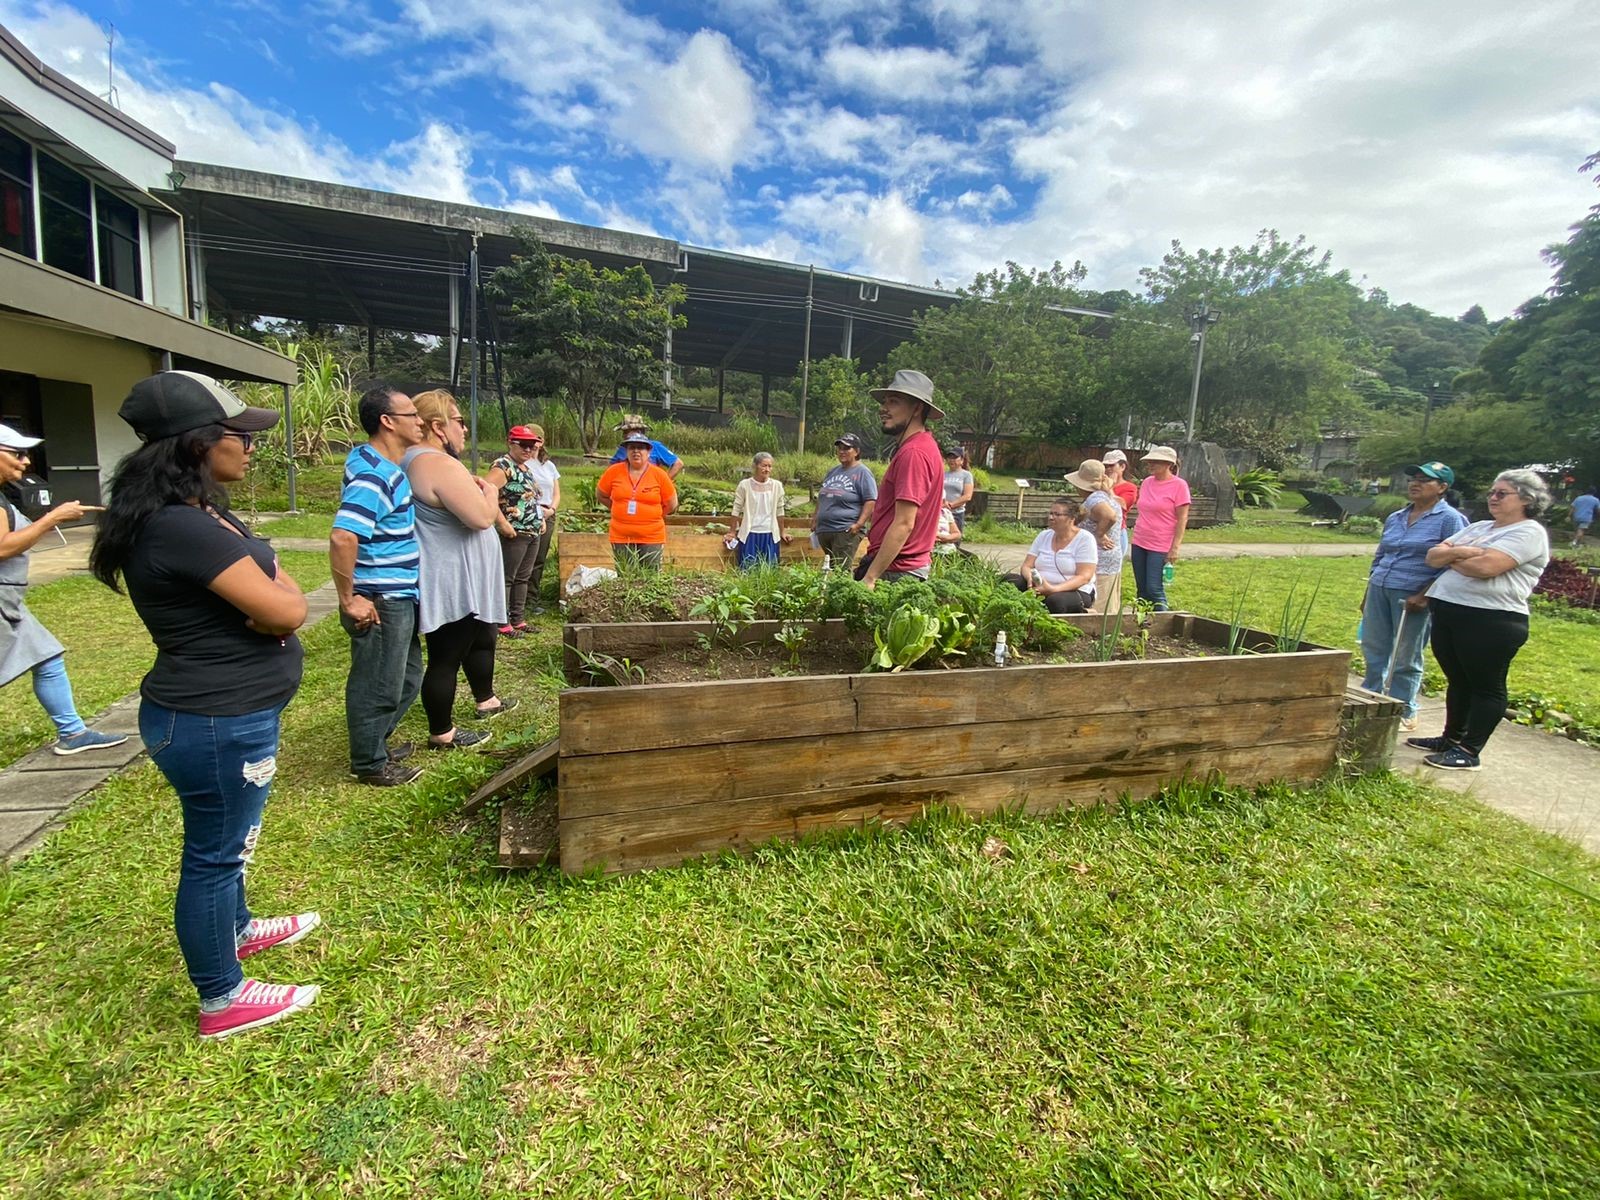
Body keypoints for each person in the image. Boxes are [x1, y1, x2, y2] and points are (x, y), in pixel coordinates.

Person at [89, 371, 317, 1040]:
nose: (250, 447)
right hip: (215, 722)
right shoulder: (183, 529)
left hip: (220, 715)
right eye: (237, 435)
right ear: (195, 444)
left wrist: (272, 598)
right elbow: (287, 605)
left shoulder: (197, 513)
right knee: (215, 854)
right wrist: (275, 604)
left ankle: (239, 928)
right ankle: (223, 998)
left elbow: (275, 596)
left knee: (229, 846)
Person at [1408, 469, 1552, 771]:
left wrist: (1453, 556)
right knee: (1458, 680)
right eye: (1491, 493)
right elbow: (1432, 556)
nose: (1493, 498)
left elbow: (1486, 567)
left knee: (1485, 685)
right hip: (1450, 612)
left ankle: (1469, 750)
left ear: (1526, 499)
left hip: (1491, 620)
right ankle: (1450, 739)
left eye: (1501, 493)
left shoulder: (1529, 532)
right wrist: (1463, 552)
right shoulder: (1482, 527)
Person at [0, 425, 127, 756]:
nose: (25, 462)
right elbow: (1, 548)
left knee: (48, 656)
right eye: (17, 454)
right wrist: (51, 518)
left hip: (9, 600)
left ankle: (72, 733)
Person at [403, 390, 514, 751]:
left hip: (467, 572)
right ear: (438, 426)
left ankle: (486, 699)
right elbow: (481, 518)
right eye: (460, 421)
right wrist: (491, 493)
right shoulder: (434, 463)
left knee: (481, 636)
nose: (464, 430)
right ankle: (442, 732)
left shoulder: (420, 460)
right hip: (453, 575)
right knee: (447, 654)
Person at [330, 385, 426, 787]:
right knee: (380, 681)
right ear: (387, 422)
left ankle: (377, 740)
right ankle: (369, 761)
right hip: (382, 598)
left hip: (398, 592)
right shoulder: (374, 475)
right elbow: (343, 537)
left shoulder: (381, 465)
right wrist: (348, 598)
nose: (420, 421)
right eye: (411, 415)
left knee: (407, 677)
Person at [1359, 461, 1468, 731]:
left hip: (1413, 594)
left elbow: (1454, 562)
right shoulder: (1396, 517)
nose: (1415, 484)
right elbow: (1381, 556)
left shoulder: (1450, 519)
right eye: (1413, 479)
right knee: (1374, 646)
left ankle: (1404, 706)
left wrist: (1426, 595)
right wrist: (1368, 590)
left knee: (1406, 653)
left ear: (1442, 487)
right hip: (1381, 587)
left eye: (1425, 480)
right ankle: (1368, 698)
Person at [857, 369, 945, 589]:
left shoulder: (914, 453)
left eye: (894, 402)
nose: (883, 409)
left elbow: (905, 523)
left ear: (917, 408)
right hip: (900, 568)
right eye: (885, 402)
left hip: (897, 572)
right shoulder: (921, 446)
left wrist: (871, 576)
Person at [485, 426, 546, 637]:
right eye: (524, 445)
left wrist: (540, 519)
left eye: (532, 446)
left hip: (532, 530)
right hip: (515, 531)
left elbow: (531, 498)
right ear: (510, 443)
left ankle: (518, 619)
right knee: (507, 577)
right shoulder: (503, 466)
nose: (528, 449)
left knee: (523, 577)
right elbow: (486, 491)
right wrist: (502, 522)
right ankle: (502, 621)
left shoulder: (525, 468)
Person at [597, 429, 678, 570]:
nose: (636, 451)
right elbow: (601, 495)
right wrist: (617, 508)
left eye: (640, 448)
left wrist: (656, 515)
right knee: (625, 577)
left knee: (650, 578)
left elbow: (672, 504)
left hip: (651, 535)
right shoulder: (613, 471)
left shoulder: (660, 475)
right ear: (626, 451)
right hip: (621, 535)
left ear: (648, 452)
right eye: (631, 447)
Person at [1008, 498, 1098, 614]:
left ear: (1071, 518)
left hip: (1074, 590)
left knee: (1055, 601)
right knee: (1010, 581)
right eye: (1050, 513)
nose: (1051, 517)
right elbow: (1026, 565)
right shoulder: (1043, 535)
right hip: (1040, 586)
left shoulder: (1085, 539)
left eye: (1057, 514)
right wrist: (1030, 579)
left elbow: (1084, 577)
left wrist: (1053, 589)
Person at [1130, 446, 1190, 611]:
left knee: (1154, 588)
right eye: (1149, 461)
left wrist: (1175, 547)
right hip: (1140, 540)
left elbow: (1182, 518)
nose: (1150, 464)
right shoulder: (1147, 482)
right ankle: (1142, 625)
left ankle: (1162, 623)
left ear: (1168, 464)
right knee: (1141, 589)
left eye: (1155, 461)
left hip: (1161, 544)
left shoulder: (1179, 486)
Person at [1065, 458, 1123, 614]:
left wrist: (1099, 534)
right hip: (1107, 559)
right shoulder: (1104, 495)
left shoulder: (1094, 499)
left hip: (1101, 560)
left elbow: (1109, 516)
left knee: (1100, 605)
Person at [812, 433, 877, 569]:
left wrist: (859, 524)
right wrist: (815, 519)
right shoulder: (833, 472)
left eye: (847, 448)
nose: (842, 452)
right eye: (840, 448)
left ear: (857, 451)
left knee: (841, 570)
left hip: (845, 529)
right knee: (832, 568)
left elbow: (870, 500)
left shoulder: (862, 472)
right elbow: (822, 496)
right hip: (825, 529)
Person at [730, 452, 791, 568]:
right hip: (750, 534)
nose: (767, 469)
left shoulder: (776, 486)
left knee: (769, 570)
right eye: (764, 465)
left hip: (769, 533)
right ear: (755, 466)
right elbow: (736, 509)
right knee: (748, 568)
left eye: (769, 466)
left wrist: (782, 532)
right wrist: (732, 531)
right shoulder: (745, 485)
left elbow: (780, 511)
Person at [608, 414, 683, 479]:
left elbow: (678, 464)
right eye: (624, 432)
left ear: (639, 431)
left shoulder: (655, 446)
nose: (624, 435)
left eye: (626, 432)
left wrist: (664, 483)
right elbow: (610, 471)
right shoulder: (622, 449)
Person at [1103, 449, 1137, 557]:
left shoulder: (1130, 487)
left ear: (1122, 466)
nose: (1108, 469)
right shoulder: (1100, 484)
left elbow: (1122, 505)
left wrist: (1110, 487)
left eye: (1111, 465)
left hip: (1116, 531)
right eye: (1105, 466)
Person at [942, 443, 974, 533]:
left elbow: (968, 496)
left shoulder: (966, 475)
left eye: (955, 458)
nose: (951, 460)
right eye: (950, 458)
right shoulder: (943, 474)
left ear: (962, 460)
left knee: (955, 541)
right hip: (942, 513)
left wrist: (951, 505)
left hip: (956, 514)